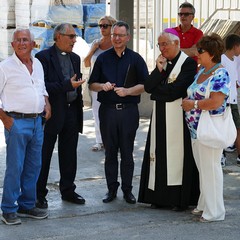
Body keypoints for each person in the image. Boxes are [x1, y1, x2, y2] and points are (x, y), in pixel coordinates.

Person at [138, 28, 199, 211]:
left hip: (178, 119)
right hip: (159, 118)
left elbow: (176, 91)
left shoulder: (187, 63)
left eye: (165, 44)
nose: (161, 48)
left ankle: (177, 199)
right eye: (159, 44)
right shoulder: (162, 63)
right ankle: (158, 197)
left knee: (176, 158)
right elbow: (148, 87)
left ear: (177, 44)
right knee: (159, 156)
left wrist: (157, 92)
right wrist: (158, 70)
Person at [88, 21, 148, 204]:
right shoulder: (102, 58)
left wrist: (128, 91)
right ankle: (111, 190)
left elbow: (145, 84)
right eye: (114, 35)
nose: (117, 38)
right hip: (107, 112)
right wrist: (102, 86)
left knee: (127, 153)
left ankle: (128, 190)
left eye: (121, 35)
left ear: (128, 37)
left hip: (128, 112)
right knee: (110, 153)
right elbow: (91, 84)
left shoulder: (136, 59)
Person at [0, 28, 51, 225]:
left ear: (32, 44)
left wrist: (47, 103)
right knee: (15, 166)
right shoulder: (5, 67)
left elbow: (41, 88)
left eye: (25, 40)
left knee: (33, 166)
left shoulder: (37, 64)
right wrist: (6, 120)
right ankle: (8, 208)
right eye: (18, 40)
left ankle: (27, 205)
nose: (22, 43)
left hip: (37, 122)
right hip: (16, 122)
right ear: (12, 45)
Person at [35, 23, 86, 209]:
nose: (74, 40)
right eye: (70, 36)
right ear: (58, 36)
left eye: (75, 37)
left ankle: (68, 190)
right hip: (52, 112)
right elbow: (43, 87)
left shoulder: (76, 58)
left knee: (69, 153)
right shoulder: (42, 57)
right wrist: (66, 85)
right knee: (44, 154)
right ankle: (38, 194)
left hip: (72, 111)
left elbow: (75, 85)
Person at [182, 33, 229, 222]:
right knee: (203, 168)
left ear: (211, 53)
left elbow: (216, 102)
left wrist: (192, 105)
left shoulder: (220, 73)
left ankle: (215, 211)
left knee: (211, 169)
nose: (197, 53)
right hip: (197, 130)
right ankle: (204, 204)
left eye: (200, 50)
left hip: (210, 128)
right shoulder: (202, 71)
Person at [84, 15, 117, 152]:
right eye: (100, 26)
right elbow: (86, 63)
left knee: (113, 113)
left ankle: (114, 141)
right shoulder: (96, 43)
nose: (102, 28)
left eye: (105, 26)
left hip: (112, 84)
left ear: (112, 27)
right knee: (97, 112)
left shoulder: (116, 44)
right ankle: (99, 141)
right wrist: (93, 49)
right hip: (96, 85)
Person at [221, 34, 240, 167]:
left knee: (237, 127)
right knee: (222, 128)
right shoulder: (222, 60)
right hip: (223, 101)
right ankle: (221, 154)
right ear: (235, 46)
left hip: (233, 101)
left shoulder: (234, 60)